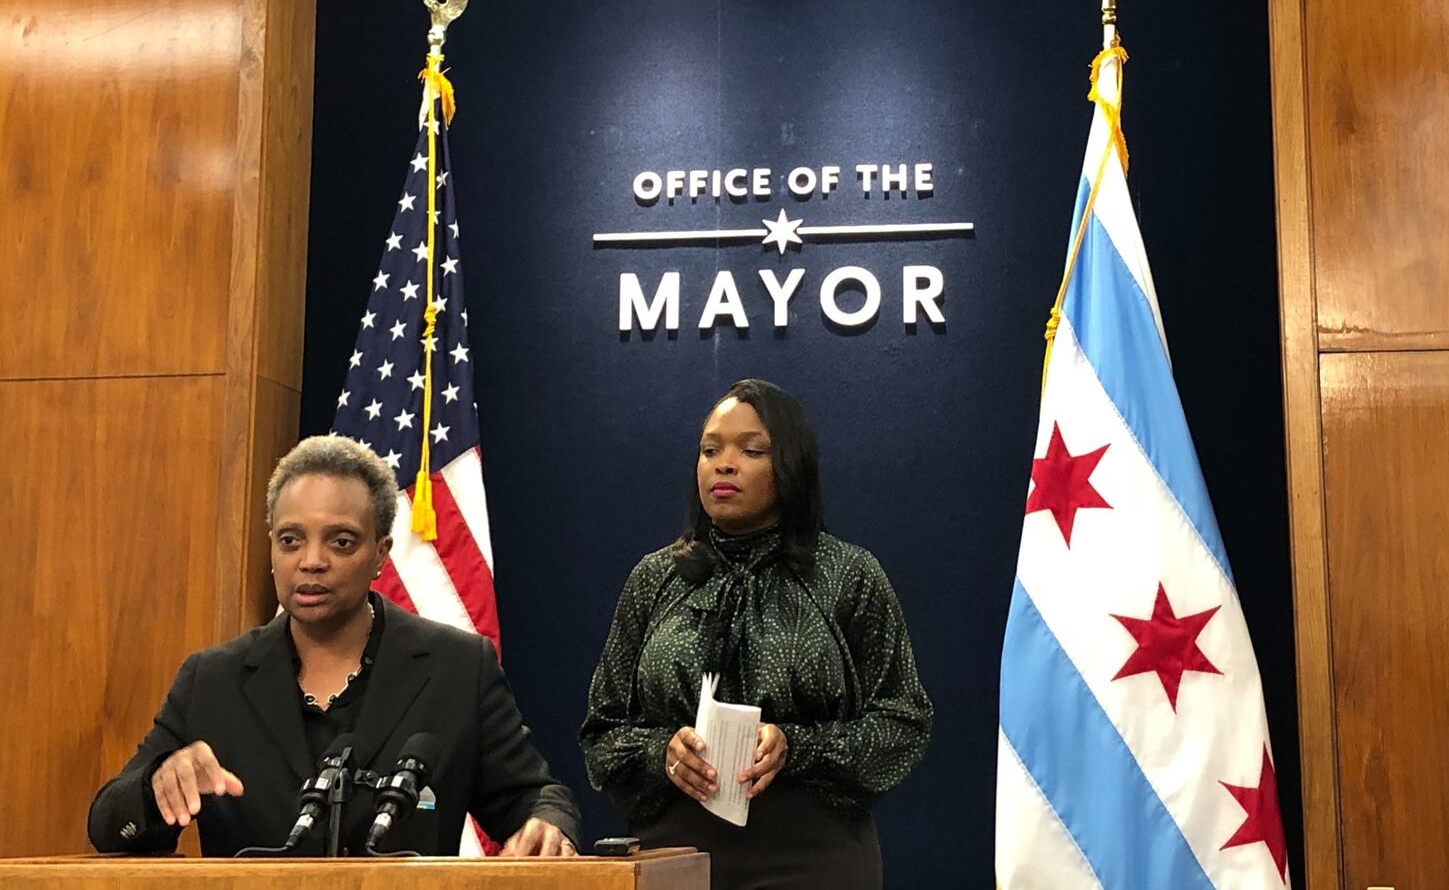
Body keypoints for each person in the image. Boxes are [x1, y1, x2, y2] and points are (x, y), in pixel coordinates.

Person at [88, 435, 581, 857]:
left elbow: (534, 797)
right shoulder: (211, 680)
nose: (312, 561)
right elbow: (108, 823)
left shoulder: (457, 668)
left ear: (380, 556)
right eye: (290, 541)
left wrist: (549, 826)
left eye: (341, 542)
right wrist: (157, 787)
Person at [580, 378, 933, 889]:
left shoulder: (846, 574)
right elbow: (602, 732)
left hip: (813, 854)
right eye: (709, 450)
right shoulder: (654, 578)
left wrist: (797, 747)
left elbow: (903, 723)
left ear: (790, 465)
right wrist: (664, 753)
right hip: (672, 852)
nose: (724, 464)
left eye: (751, 450)